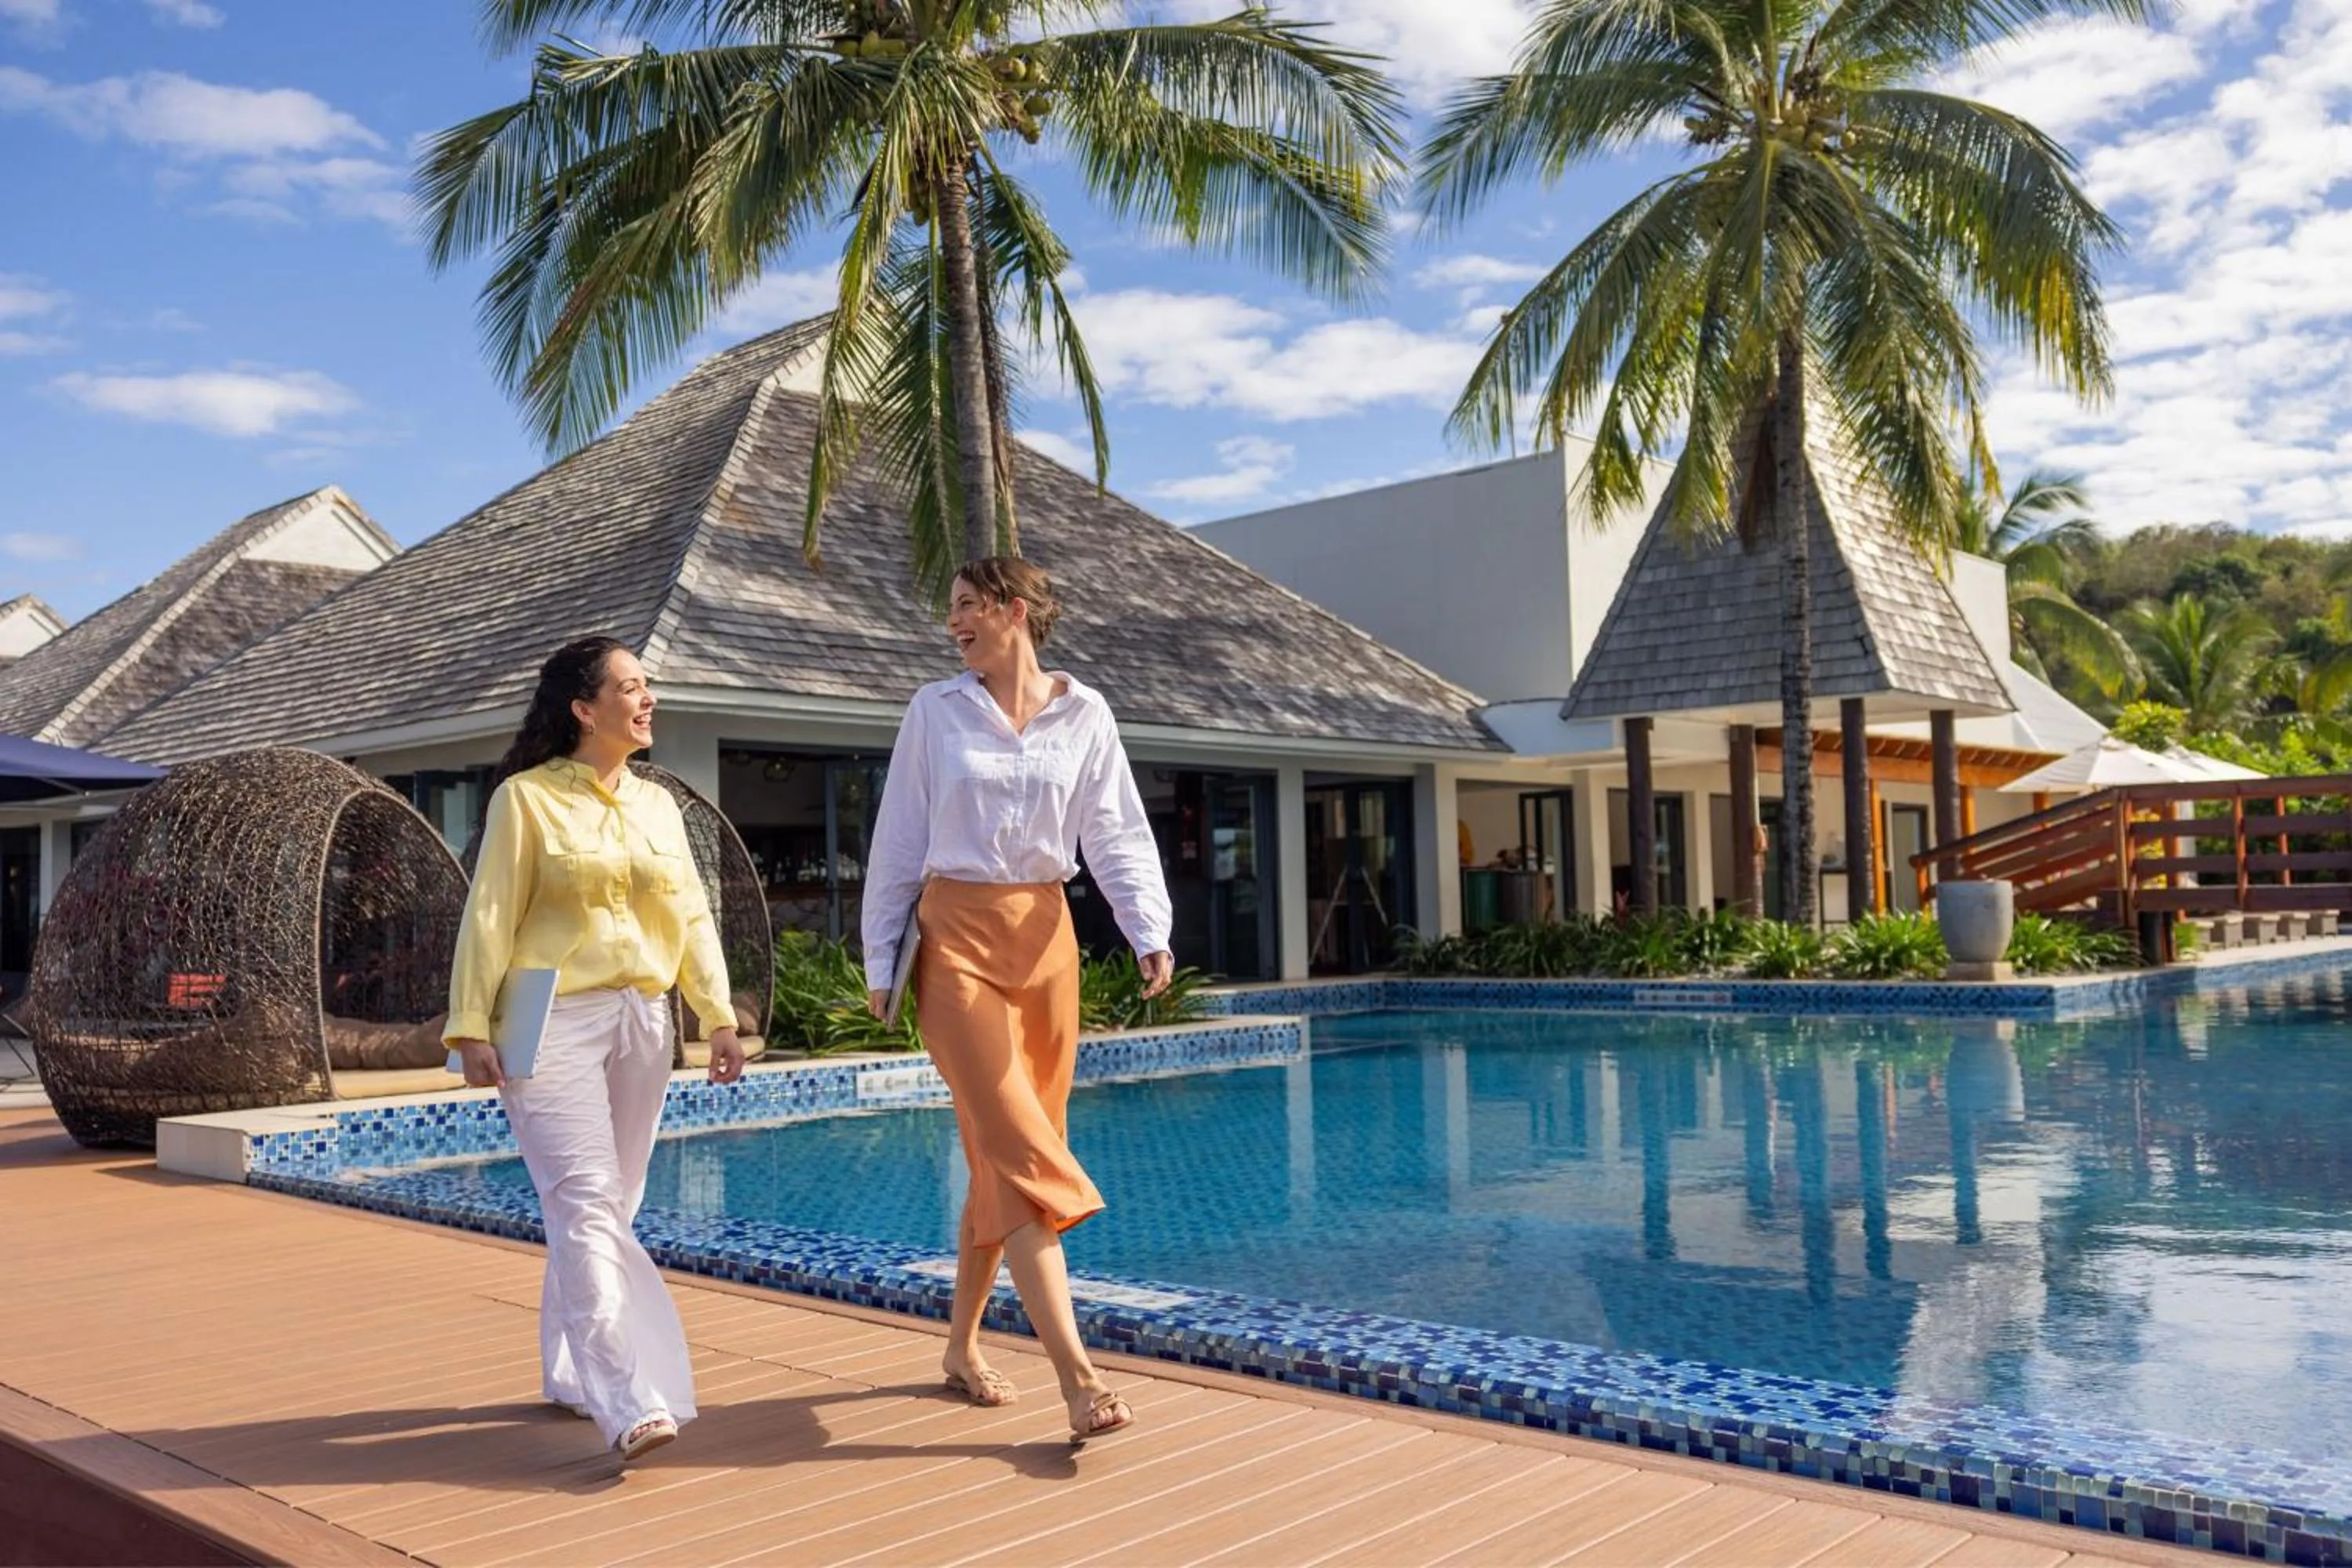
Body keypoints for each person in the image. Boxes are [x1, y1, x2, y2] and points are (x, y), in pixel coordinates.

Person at [862, 557, 1173, 1445]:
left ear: (1014, 610)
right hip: (954, 933)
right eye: (952, 608)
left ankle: (960, 1346)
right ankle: (1080, 1379)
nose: (952, 623)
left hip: (1046, 939)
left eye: (965, 606)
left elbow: (1114, 826)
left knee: (1005, 1155)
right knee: (1020, 1145)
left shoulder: (1087, 712)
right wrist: (882, 955)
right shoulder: (935, 709)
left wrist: (1147, 927)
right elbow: (899, 833)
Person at [446, 635, 747, 1463]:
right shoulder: (526, 799)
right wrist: (469, 1024)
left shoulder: (660, 806)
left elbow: (690, 915)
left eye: (647, 686)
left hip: (645, 1020)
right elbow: (490, 914)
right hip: (552, 1019)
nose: (648, 699)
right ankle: (626, 1397)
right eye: (631, 686)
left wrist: (716, 1014)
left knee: (608, 1206)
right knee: (583, 1201)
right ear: (584, 708)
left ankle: (570, 1371)